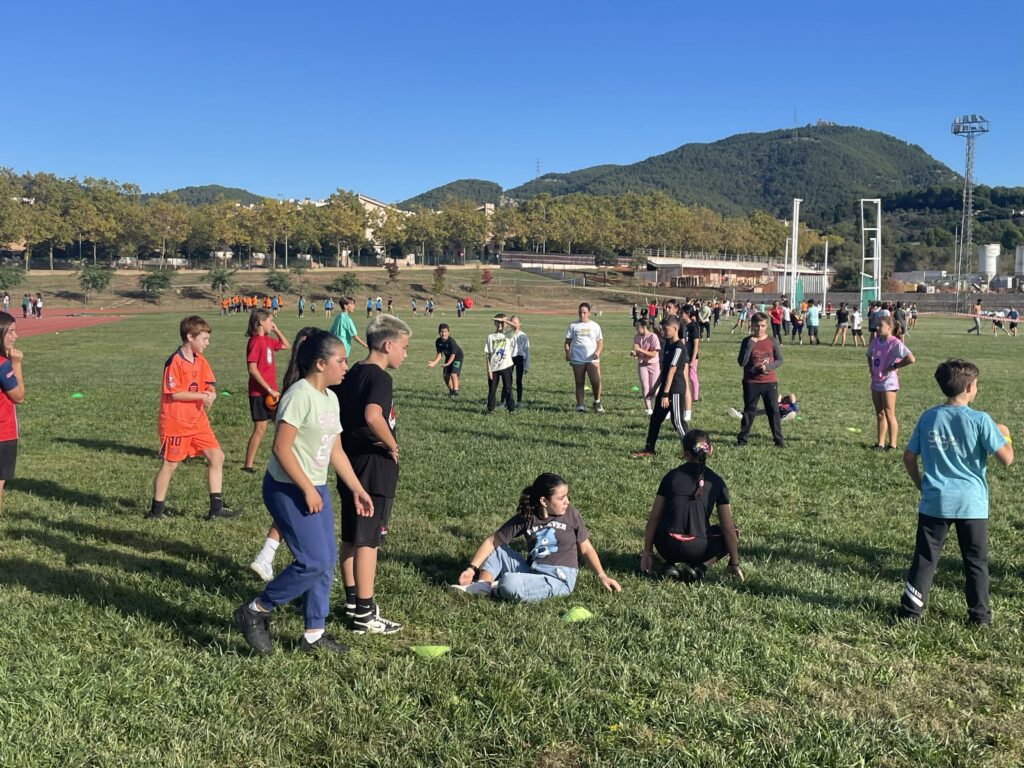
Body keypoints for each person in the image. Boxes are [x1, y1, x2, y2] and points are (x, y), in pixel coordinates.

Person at [234, 328, 374, 655]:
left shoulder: (331, 398)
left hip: (315, 487)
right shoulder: (299, 395)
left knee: (325, 562)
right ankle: (256, 609)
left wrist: (357, 489)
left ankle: (313, 633)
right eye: (341, 360)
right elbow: (281, 449)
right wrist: (308, 489)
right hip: (287, 489)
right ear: (321, 364)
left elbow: (335, 450)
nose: (346, 366)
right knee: (313, 562)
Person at [897, 359, 1014, 625]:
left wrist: (921, 485)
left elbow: (908, 456)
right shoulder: (981, 420)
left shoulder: (929, 417)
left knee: (925, 558)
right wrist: (1005, 435)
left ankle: (910, 613)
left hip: (935, 501)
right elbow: (1007, 459)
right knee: (975, 562)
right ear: (970, 387)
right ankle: (979, 617)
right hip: (971, 504)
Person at [332, 314, 410, 635]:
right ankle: (365, 614)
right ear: (388, 345)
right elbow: (373, 415)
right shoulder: (380, 378)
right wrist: (391, 444)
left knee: (351, 536)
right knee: (369, 541)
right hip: (374, 468)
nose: (405, 354)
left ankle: (352, 602)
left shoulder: (350, 373)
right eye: (403, 347)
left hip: (349, 462)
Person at [448, 473, 622, 601]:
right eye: (561, 498)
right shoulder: (528, 516)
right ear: (544, 501)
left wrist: (602, 575)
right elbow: (492, 541)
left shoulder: (571, 514)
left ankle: (496, 587)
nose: (567, 501)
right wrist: (471, 569)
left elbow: (586, 548)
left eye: (567, 496)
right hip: (532, 571)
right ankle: (482, 586)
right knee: (496, 550)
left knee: (510, 582)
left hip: (558, 579)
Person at [149, 316, 239, 521]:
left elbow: (209, 383)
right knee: (170, 465)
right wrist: (202, 396)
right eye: (204, 339)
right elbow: (175, 394)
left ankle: (216, 509)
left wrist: (211, 393)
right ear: (190, 337)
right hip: (176, 422)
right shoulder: (174, 362)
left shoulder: (200, 360)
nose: (208, 343)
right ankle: (156, 511)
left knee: (217, 457)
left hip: (198, 421)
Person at [640, 430, 744, 583]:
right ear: (710, 451)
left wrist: (647, 552)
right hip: (698, 548)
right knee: (734, 530)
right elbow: (728, 529)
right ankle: (699, 568)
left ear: (684, 453)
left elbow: (653, 519)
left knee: (661, 520)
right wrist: (734, 563)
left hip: (666, 545)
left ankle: (669, 565)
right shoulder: (717, 482)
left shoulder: (671, 476)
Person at [631, 317, 690, 458]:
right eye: (662, 329)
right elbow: (664, 371)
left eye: (665, 329)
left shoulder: (679, 347)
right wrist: (655, 388)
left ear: (675, 329)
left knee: (677, 422)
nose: (663, 331)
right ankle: (649, 449)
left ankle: (691, 450)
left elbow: (672, 371)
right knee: (655, 419)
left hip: (675, 390)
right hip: (665, 388)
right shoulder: (668, 345)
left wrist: (665, 394)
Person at [242, 309, 291, 474]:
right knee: (260, 428)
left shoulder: (268, 340)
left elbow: (286, 345)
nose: (272, 324)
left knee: (281, 424)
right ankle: (248, 465)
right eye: (270, 321)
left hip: (272, 392)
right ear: (261, 322)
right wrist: (268, 389)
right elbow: (252, 369)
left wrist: (276, 330)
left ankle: (283, 458)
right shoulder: (255, 342)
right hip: (259, 392)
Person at [736, 312, 784, 447]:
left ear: (766, 326)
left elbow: (779, 360)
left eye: (762, 326)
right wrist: (751, 345)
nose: (759, 329)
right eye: (757, 326)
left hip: (769, 381)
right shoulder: (747, 341)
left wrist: (768, 367)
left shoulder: (772, 341)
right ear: (752, 325)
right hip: (751, 382)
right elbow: (742, 362)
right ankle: (742, 440)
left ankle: (779, 440)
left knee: (773, 411)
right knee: (749, 411)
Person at [867, 316, 915, 451]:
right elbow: (869, 355)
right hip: (876, 381)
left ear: (889, 328)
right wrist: (871, 368)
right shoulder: (876, 341)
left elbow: (911, 359)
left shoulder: (895, 343)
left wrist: (895, 366)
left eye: (880, 325)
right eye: (877, 325)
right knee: (880, 413)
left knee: (889, 413)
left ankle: (892, 445)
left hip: (888, 382)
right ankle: (880, 443)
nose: (877, 328)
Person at [0, 312, 25, 513]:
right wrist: (16, 364)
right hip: (3, 433)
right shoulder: (3, 365)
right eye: (11, 332)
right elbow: (19, 396)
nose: (15, 336)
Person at [565, 303, 604, 413]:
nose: (582, 315)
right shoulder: (573, 325)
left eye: (584, 313)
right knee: (579, 382)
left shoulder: (595, 326)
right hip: (577, 358)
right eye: (580, 312)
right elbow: (567, 342)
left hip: (592, 358)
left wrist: (597, 352)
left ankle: (597, 402)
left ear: (589, 313)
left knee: (596, 381)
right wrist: (568, 353)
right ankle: (580, 405)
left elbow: (600, 342)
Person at [485, 314, 516, 414]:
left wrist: (504, 320)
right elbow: (488, 354)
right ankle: (491, 409)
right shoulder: (491, 337)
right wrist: (489, 370)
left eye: (502, 323)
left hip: (506, 366)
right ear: (495, 323)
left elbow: (516, 327)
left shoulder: (508, 334)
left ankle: (511, 409)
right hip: (494, 367)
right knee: (492, 389)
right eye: (498, 322)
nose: (500, 324)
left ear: (505, 324)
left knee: (508, 388)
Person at [631, 319, 661, 415]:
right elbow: (637, 351)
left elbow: (653, 354)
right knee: (645, 387)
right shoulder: (637, 337)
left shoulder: (653, 337)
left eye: (637, 327)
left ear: (644, 327)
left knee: (654, 388)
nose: (636, 329)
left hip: (653, 364)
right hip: (642, 364)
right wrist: (635, 353)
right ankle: (648, 408)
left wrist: (640, 350)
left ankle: (660, 408)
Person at [428, 323, 463, 399]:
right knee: (446, 376)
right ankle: (451, 391)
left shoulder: (451, 341)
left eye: (445, 332)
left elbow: (453, 354)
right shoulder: (438, 341)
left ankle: (455, 393)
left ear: (448, 332)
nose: (443, 334)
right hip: (448, 358)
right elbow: (440, 354)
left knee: (453, 374)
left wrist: (449, 363)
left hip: (457, 357)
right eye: (441, 332)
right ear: (439, 332)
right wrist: (434, 362)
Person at [505, 315, 530, 408]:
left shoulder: (523, 336)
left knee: (519, 380)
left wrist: (526, 365)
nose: (513, 324)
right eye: (512, 322)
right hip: (509, 358)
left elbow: (527, 351)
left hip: (519, 358)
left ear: (520, 324)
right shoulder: (508, 334)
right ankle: (504, 401)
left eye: (515, 323)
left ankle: (519, 401)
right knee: (507, 381)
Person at [729, 392, 798, 422]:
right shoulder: (780, 404)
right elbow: (774, 405)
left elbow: (792, 395)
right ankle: (742, 415)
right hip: (775, 412)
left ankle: (785, 418)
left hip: (786, 412)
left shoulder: (792, 406)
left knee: (793, 413)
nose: (786, 399)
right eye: (786, 398)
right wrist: (779, 400)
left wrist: (781, 398)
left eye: (788, 399)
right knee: (763, 410)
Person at [680, 304, 699, 412]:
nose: (680, 314)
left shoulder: (693, 326)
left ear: (687, 314)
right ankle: (686, 394)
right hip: (685, 356)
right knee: (685, 376)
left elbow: (696, 344)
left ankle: (695, 397)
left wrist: (693, 359)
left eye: (682, 312)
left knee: (692, 376)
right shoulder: (683, 326)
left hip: (692, 356)